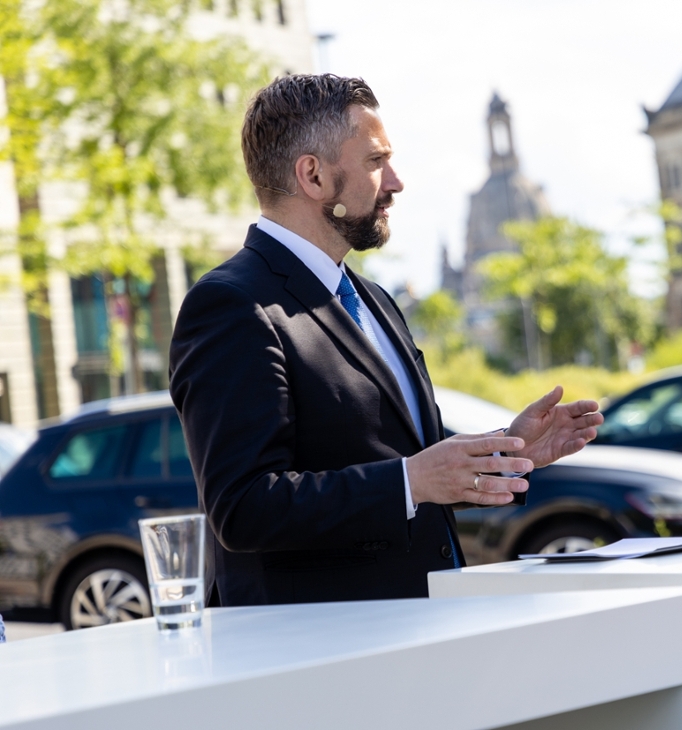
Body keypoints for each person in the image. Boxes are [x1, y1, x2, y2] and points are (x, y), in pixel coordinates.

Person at [169, 74, 602, 607]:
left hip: (417, 636)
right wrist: (410, 481)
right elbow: (243, 508)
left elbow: (396, 455)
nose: (395, 182)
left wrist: (503, 451)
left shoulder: (371, 297)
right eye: (376, 162)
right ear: (313, 175)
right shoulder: (231, 305)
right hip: (317, 660)